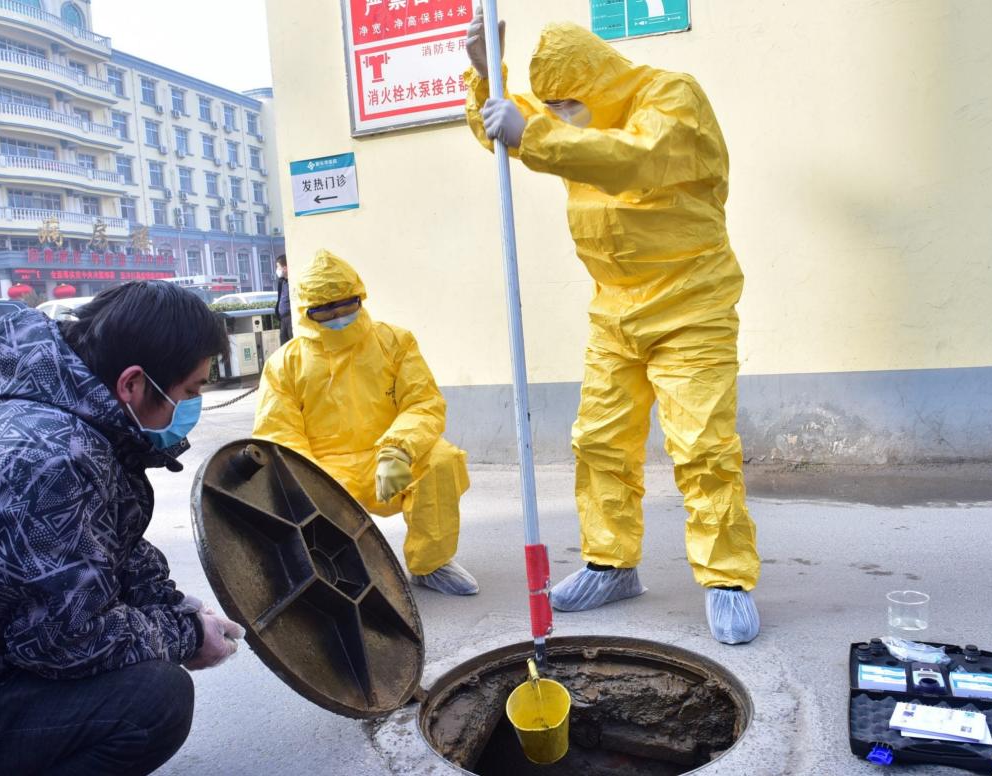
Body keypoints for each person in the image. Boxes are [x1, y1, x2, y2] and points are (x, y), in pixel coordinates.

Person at [464, 12, 761, 644]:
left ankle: (727, 579)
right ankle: (611, 564)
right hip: (614, 310)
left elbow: (636, 159)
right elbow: (511, 128)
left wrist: (536, 134)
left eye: (569, 104)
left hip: (692, 304)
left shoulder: (671, 96)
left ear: (598, 85)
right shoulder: (577, 119)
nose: (558, 116)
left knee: (702, 447)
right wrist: (489, 76)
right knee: (599, 441)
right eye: (552, 108)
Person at [0, 282, 245, 775]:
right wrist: (185, 635)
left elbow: (102, 547)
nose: (192, 407)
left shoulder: (46, 414)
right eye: (191, 392)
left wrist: (175, 606)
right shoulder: (53, 458)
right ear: (132, 384)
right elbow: (64, 641)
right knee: (153, 700)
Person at [253, 249, 478, 596]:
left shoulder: (395, 342)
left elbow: (423, 402)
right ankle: (337, 572)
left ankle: (430, 564)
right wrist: (309, 478)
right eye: (325, 309)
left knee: (441, 461)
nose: (337, 315)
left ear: (360, 297)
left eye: (345, 305)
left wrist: (399, 449)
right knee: (295, 486)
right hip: (327, 469)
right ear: (306, 311)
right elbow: (279, 434)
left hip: (387, 457)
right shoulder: (285, 363)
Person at [274, 255, 293, 342]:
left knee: (292, 343)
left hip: (291, 318)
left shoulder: (292, 281)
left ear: (285, 268)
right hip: (283, 319)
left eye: (278, 267)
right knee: (284, 345)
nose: (277, 270)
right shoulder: (282, 281)